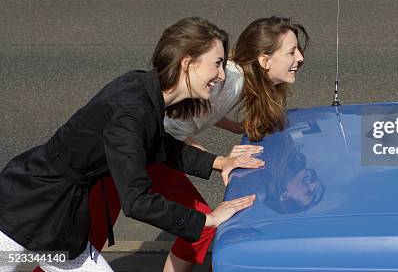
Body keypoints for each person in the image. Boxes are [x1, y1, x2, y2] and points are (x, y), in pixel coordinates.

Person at [0, 17, 263, 272]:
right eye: (216, 64)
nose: (220, 75)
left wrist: (221, 163)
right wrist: (208, 219)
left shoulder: (143, 89)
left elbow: (159, 146)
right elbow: (137, 200)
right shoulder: (132, 112)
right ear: (187, 63)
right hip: (20, 209)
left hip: (56, 217)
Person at [77, 16, 310, 272]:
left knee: (85, 244)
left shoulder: (236, 78)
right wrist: (214, 159)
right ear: (265, 60)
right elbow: (171, 129)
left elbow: (204, 108)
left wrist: (234, 127)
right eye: (291, 52)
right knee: (199, 227)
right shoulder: (231, 81)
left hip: (128, 156)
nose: (299, 57)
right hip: (144, 156)